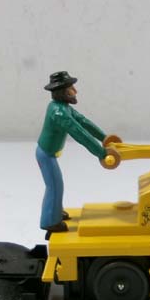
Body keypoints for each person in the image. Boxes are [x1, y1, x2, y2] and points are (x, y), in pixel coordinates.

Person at [36, 71, 121, 234]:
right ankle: (50, 221)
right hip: (46, 154)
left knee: (56, 185)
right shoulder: (59, 113)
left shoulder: (64, 108)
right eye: (71, 89)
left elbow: (83, 122)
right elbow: (79, 133)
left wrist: (104, 138)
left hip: (50, 153)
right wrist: (101, 153)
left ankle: (55, 212)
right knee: (55, 185)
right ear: (62, 92)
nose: (75, 91)